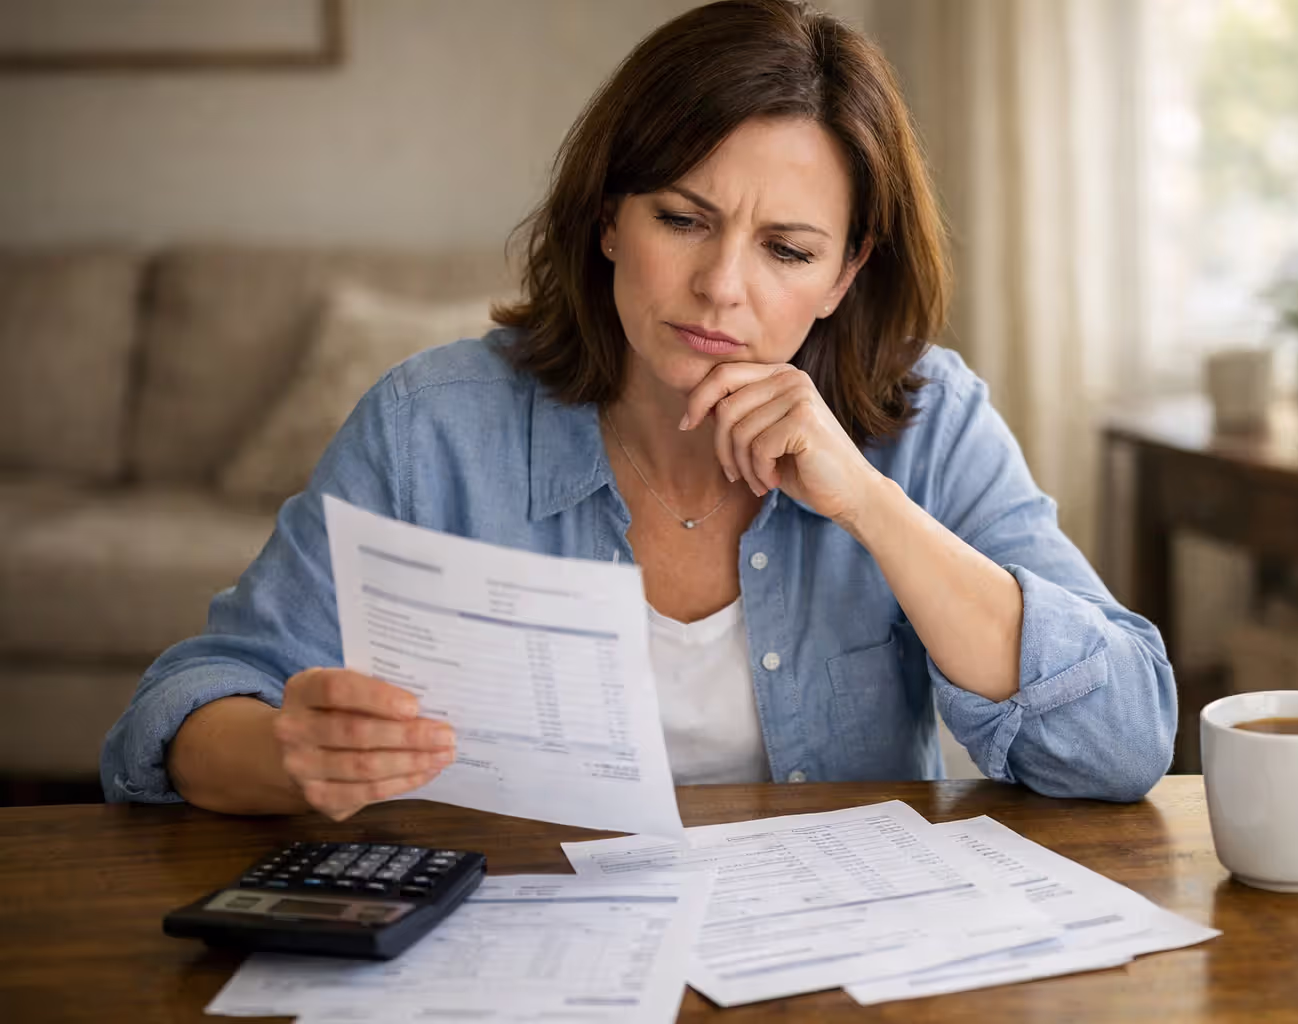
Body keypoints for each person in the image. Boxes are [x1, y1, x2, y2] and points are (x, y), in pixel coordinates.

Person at [101, 0, 1176, 821]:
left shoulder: (928, 420)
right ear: (609, 219)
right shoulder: (432, 428)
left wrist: (871, 507)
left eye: (787, 250)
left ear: (843, 277)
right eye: (682, 219)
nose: (721, 286)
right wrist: (290, 754)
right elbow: (185, 704)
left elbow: (1126, 737)